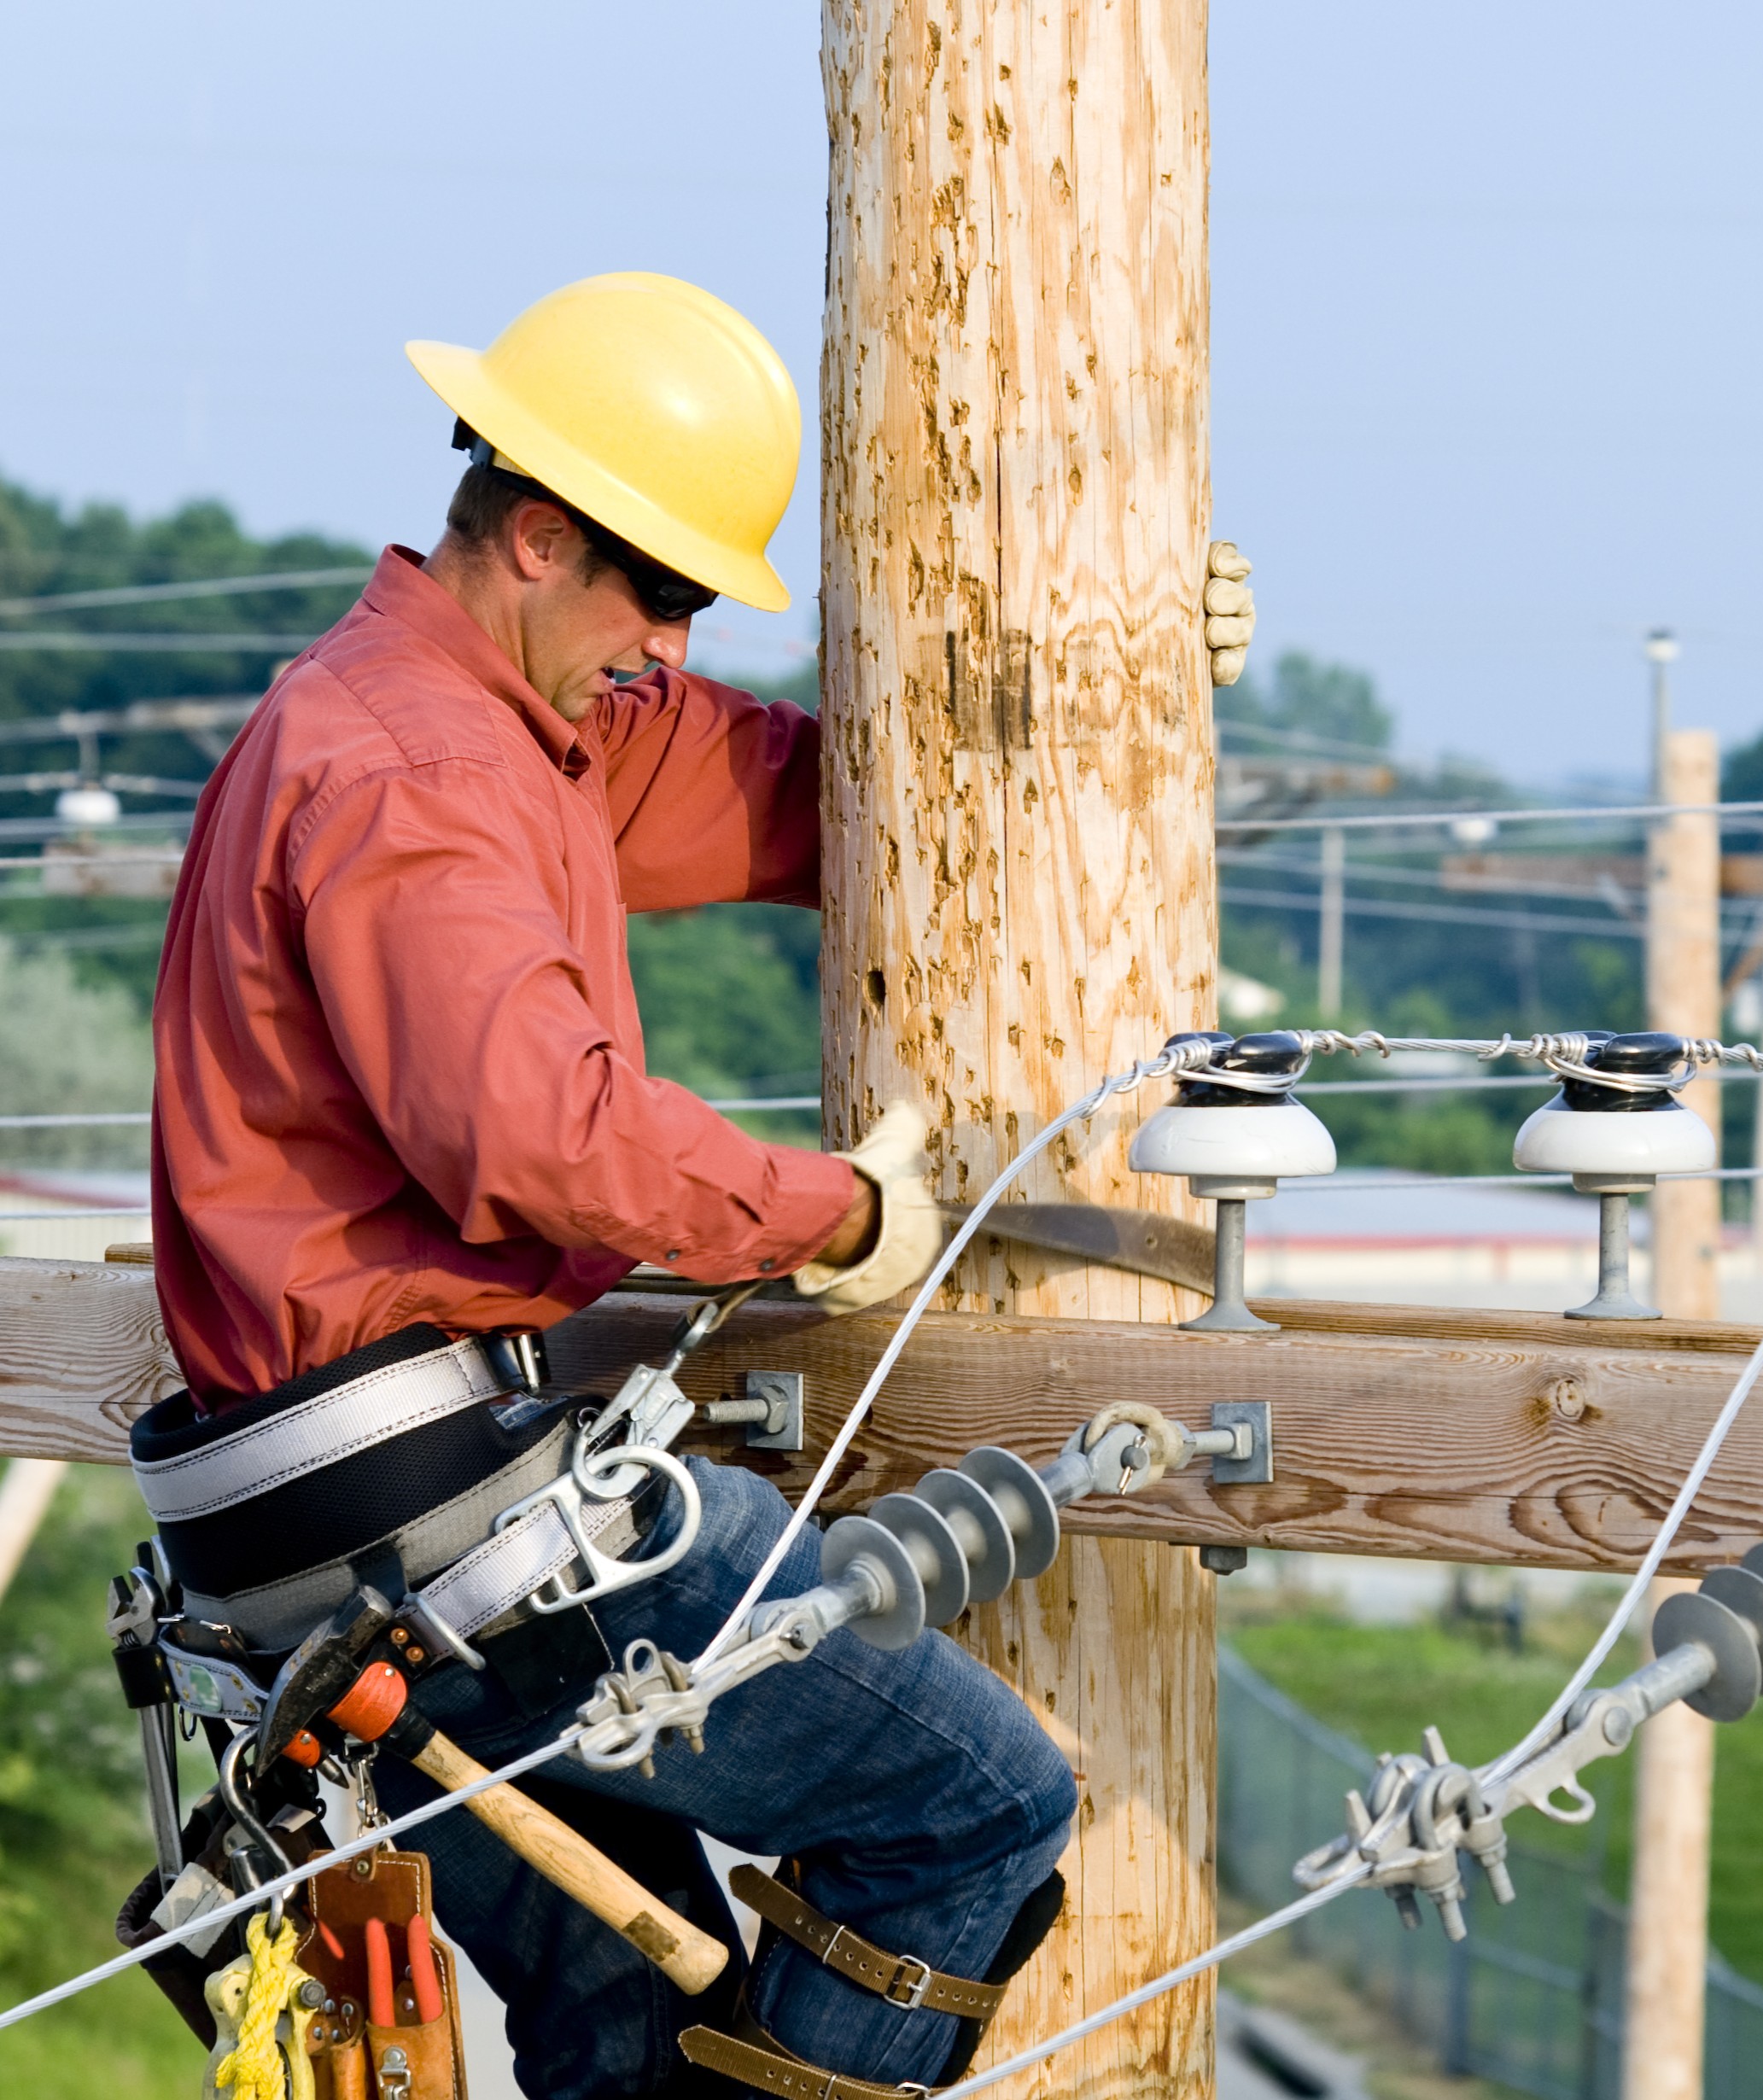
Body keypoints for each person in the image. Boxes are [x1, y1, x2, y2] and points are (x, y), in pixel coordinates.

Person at [139, 272, 1077, 2099]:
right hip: (443, 1521)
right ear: (542, 535)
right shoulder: (419, 768)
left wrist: (1108, 661)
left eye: (700, 602)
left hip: (324, 1552)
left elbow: (848, 800)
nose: (676, 638)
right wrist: (838, 1217)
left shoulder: (491, 728)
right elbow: (541, 1134)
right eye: (661, 590)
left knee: (630, 2026)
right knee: (975, 1811)